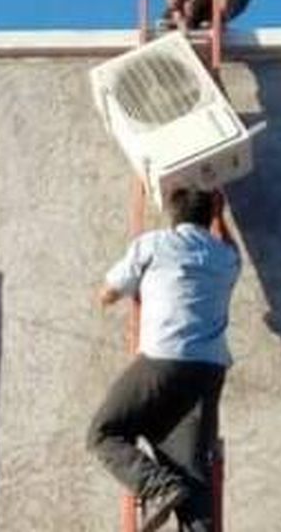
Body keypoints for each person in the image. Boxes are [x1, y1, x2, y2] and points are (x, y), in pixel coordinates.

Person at [87, 188, 240, 532]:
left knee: (103, 432)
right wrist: (220, 214)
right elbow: (229, 245)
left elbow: (109, 293)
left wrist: (104, 296)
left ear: (173, 216)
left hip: (164, 361)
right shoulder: (227, 257)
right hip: (209, 372)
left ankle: (160, 488)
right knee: (194, 478)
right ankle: (178, 494)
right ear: (210, 215)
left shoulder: (154, 244)